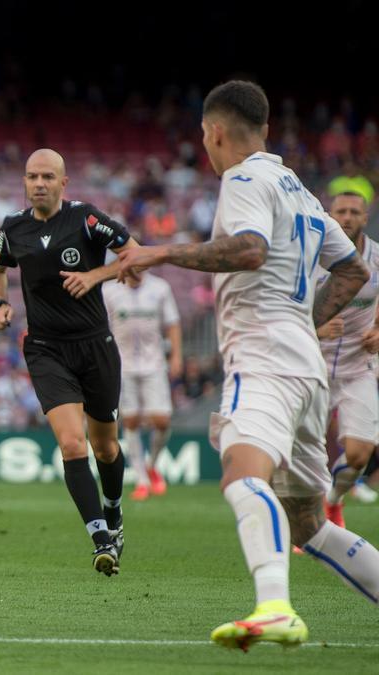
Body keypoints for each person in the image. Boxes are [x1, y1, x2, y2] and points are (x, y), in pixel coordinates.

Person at [118, 80, 379, 651]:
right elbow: (355, 270)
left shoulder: (242, 179)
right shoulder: (301, 191)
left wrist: (159, 252)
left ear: (213, 132)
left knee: (242, 475)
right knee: (312, 526)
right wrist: (305, 323)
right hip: (306, 367)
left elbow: (250, 249)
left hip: (263, 357)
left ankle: (274, 607)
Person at [0, 148, 139, 576]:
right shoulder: (12, 228)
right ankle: (100, 540)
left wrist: (94, 276)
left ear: (63, 183)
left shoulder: (87, 218)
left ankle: (114, 511)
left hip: (95, 346)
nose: (39, 183)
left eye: (47, 177)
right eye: (32, 176)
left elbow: (136, 254)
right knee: (73, 444)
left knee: (105, 446)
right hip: (46, 348)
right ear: (25, 181)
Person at [313, 190, 379, 526]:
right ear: (330, 215)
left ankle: (333, 500)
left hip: (359, 368)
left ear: (365, 217)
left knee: (358, 454)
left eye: (355, 211)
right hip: (314, 366)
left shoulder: (378, 259)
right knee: (304, 454)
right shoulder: (312, 257)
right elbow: (289, 309)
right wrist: (316, 330)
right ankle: (304, 522)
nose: (348, 217)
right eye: (341, 210)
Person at [102, 270, 182, 500]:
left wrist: (176, 356)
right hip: (122, 366)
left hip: (154, 364)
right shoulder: (110, 290)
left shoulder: (160, 288)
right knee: (131, 420)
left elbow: (173, 324)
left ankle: (152, 465)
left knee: (162, 420)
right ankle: (141, 480)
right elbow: (102, 327)